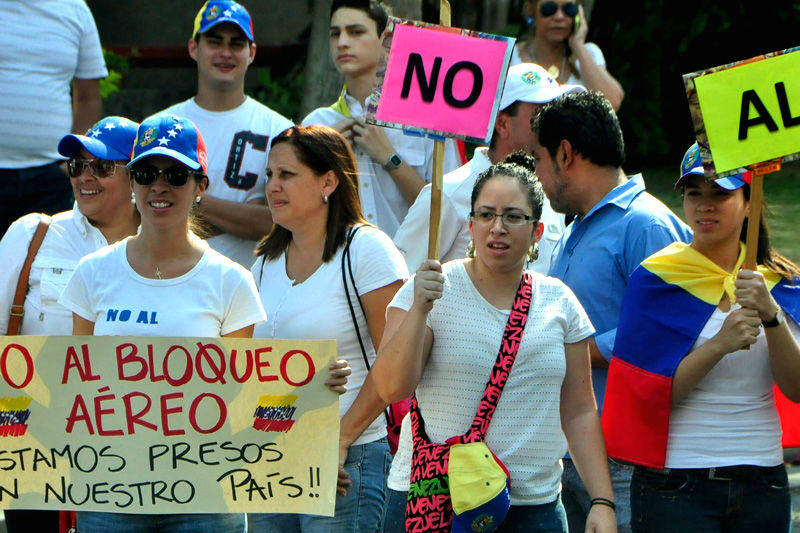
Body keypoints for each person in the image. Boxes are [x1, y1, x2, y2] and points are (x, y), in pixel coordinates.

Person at [372, 153, 617, 533]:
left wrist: (602, 501)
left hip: (532, 508)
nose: (497, 227)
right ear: (469, 226)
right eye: (486, 215)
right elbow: (390, 388)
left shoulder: (560, 302)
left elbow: (580, 411)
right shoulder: (432, 289)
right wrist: (420, 308)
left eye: (513, 216)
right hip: (437, 501)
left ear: (537, 231)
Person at [59, 114, 268, 533]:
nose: (159, 186)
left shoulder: (231, 281)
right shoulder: (92, 272)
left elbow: (244, 393)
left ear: (200, 186)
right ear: (132, 181)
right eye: (145, 173)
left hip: (205, 495)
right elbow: (73, 382)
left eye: (175, 174)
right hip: (110, 489)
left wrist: (314, 383)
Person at [602, 142, 800, 532]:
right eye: (694, 193)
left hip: (763, 482)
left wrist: (772, 317)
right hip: (674, 486)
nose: (705, 205)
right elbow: (647, 398)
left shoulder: (781, 285)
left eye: (720, 193)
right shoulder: (656, 280)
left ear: (748, 203)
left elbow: (796, 389)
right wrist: (719, 344)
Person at [530, 90, 692, 533]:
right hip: (574, 450)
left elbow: (673, 334)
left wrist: (573, 346)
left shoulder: (646, 224)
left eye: (539, 160)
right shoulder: (578, 226)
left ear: (565, 154)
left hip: (624, 458)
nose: (538, 177)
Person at [247, 126, 408, 532]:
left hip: (347, 456)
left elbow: (396, 364)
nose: (273, 186)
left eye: (287, 174)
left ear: (329, 182)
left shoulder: (367, 250)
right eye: (269, 175)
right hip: (270, 457)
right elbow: (251, 370)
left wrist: (339, 440)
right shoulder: (263, 264)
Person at [0, 115, 140, 533]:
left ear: (139, 176)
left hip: (136, 451)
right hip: (34, 443)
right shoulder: (33, 234)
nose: (84, 178)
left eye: (101, 166)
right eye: (76, 166)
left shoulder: (169, 250)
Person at [394, 63, 581, 275]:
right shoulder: (447, 193)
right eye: (540, 114)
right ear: (502, 124)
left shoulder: (548, 192)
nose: (553, 125)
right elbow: (397, 282)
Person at [302, 0, 461, 236]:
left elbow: (453, 213)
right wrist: (325, 156)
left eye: (356, 32)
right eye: (335, 34)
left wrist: (390, 158)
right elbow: (296, 212)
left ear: (386, 39)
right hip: (338, 268)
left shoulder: (428, 121)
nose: (343, 43)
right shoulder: (315, 126)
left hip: (411, 268)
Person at [160, 0, 293, 267]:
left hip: (252, 282)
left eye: (236, 43)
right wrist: (241, 214)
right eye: (215, 41)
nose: (225, 53)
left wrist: (187, 198)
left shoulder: (279, 130)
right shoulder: (162, 125)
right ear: (193, 48)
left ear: (252, 52)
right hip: (170, 278)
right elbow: (143, 213)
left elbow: (278, 221)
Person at [0, 0, 107, 236]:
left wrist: (75, 161)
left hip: (53, 179)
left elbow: (88, 97)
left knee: (48, 268)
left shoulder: (75, 10)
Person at [511, 0, 623, 110]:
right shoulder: (510, 56)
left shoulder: (588, 53)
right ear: (530, 9)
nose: (559, 16)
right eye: (549, 9)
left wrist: (578, 46)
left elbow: (612, 103)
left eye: (568, 9)